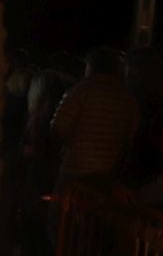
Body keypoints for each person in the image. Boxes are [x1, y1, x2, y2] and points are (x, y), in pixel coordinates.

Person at [49, 47, 140, 188]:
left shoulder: (79, 91)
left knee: (66, 205)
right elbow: (130, 137)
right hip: (108, 172)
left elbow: (58, 128)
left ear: (91, 67)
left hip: (75, 167)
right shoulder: (128, 98)